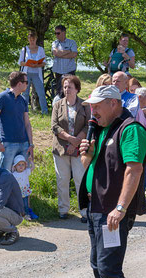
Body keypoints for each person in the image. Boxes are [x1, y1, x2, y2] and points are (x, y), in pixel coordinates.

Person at [78, 85, 146, 278]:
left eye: (97, 105)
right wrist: (87, 153)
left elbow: (134, 170)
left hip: (112, 212)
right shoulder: (103, 129)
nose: (92, 110)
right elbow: (89, 166)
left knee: (109, 266)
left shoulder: (130, 129)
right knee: (97, 264)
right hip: (96, 207)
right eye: (91, 106)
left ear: (114, 103)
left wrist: (120, 208)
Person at [51, 75, 91, 221]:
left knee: (81, 179)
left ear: (77, 89)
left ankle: (85, 210)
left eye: (70, 87)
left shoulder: (84, 105)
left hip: (79, 148)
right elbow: (54, 126)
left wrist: (76, 141)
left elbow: (88, 125)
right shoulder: (58, 104)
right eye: (65, 86)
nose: (67, 89)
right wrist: (69, 140)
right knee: (63, 179)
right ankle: (63, 209)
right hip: (61, 148)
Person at [0, 71, 34, 171]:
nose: (28, 84)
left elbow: (27, 123)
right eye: (26, 82)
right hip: (8, 144)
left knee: (22, 175)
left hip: (24, 143)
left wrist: (30, 144)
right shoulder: (2, 97)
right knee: (6, 175)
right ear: (19, 83)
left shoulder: (23, 100)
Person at [18, 30, 48, 114]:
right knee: (25, 93)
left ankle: (44, 111)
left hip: (36, 74)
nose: (32, 41)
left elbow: (44, 62)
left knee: (41, 93)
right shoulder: (24, 49)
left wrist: (37, 65)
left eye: (33, 39)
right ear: (28, 39)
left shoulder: (40, 49)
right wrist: (28, 64)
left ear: (36, 39)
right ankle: (24, 111)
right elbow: (20, 62)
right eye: (30, 39)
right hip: (26, 74)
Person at [51, 25, 78, 95]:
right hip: (58, 72)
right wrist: (68, 51)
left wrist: (60, 53)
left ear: (64, 33)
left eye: (58, 33)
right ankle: (60, 105)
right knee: (59, 92)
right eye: (55, 33)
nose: (56, 35)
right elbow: (56, 53)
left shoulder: (72, 42)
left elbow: (74, 54)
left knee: (70, 91)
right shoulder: (54, 43)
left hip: (69, 71)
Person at [11, 155, 36, 221]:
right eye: (19, 165)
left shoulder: (26, 172)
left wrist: (31, 161)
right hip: (17, 193)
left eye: (23, 164)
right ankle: (19, 215)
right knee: (18, 204)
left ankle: (27, 215)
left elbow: (33, 167)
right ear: (15, 166)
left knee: (25, 204)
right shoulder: (14, 174)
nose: (21, 166)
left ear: (25, 166)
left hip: (25, 191)